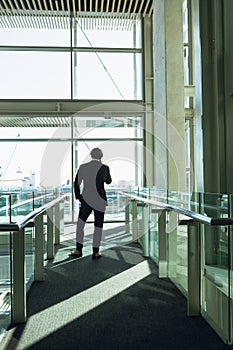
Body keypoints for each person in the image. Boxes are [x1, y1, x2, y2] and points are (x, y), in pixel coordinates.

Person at [70, 147, 112, 259]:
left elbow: (76, 182)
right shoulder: (105, 168)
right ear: (101, 156)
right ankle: (96, 251)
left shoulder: (84, 167)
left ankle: (78, 250)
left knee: (80, 225)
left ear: (91, 155)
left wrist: (78, 196)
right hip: (100, 200)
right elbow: (109, 181)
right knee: (98, 226)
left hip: (86, 199)